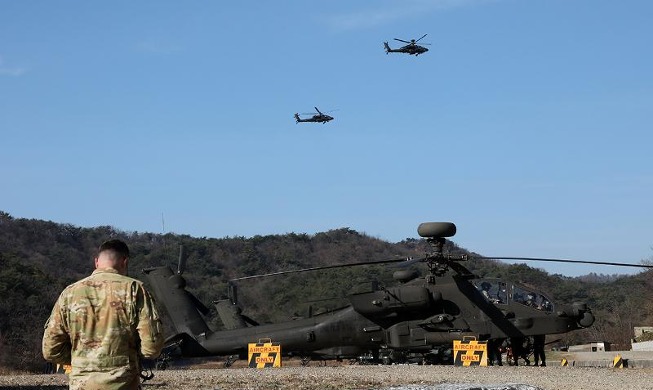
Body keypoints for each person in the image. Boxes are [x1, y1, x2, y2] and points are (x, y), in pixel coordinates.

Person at [42, 239, 164, 390]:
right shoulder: (135, 289)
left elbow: (50, 350)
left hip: (82, 384)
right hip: (123, 383)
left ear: (96, 262)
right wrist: (131, 356)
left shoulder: (69, 293)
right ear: (124, 262)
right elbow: (152, 346)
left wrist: (82, 358)